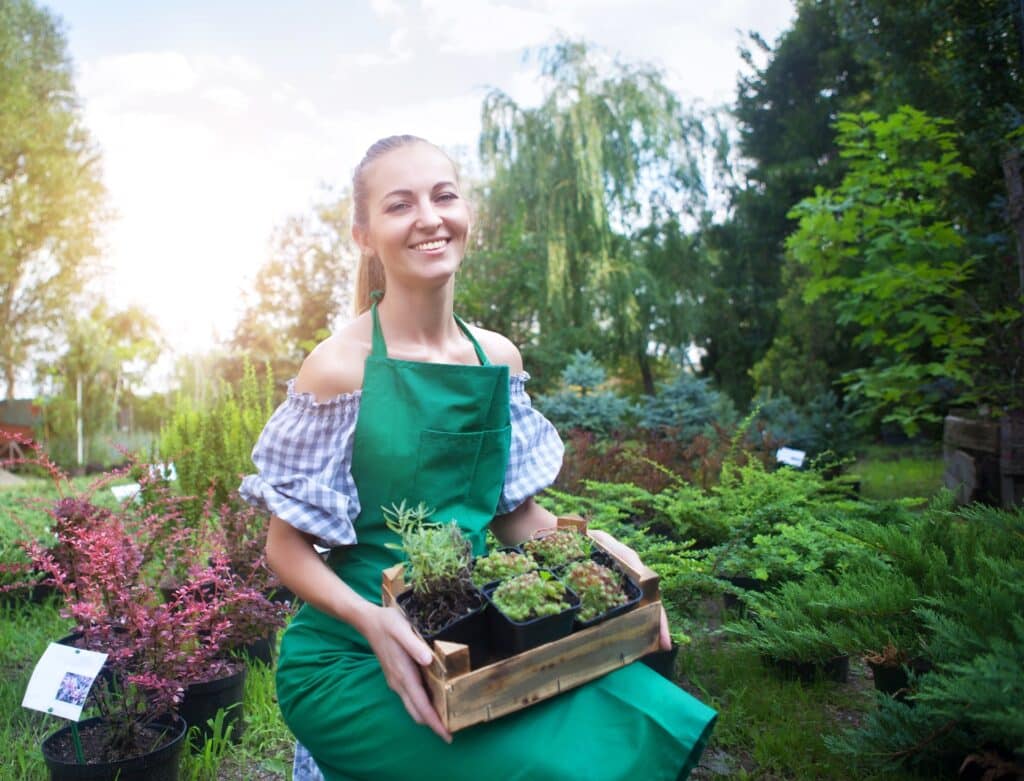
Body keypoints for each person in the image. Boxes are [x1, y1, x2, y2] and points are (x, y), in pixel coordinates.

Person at [240, 134, 716, 781]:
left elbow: (513, 517)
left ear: (467, 213)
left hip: (477, 640)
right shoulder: (339, 368)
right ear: (364, 235)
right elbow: (283, 548)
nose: (430, 218)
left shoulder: (499, 358)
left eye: (444, 196)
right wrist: (371, 619)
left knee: (642, 711)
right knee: (553, 766)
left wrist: (599, 550)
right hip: (351, 653)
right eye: (400, 204)